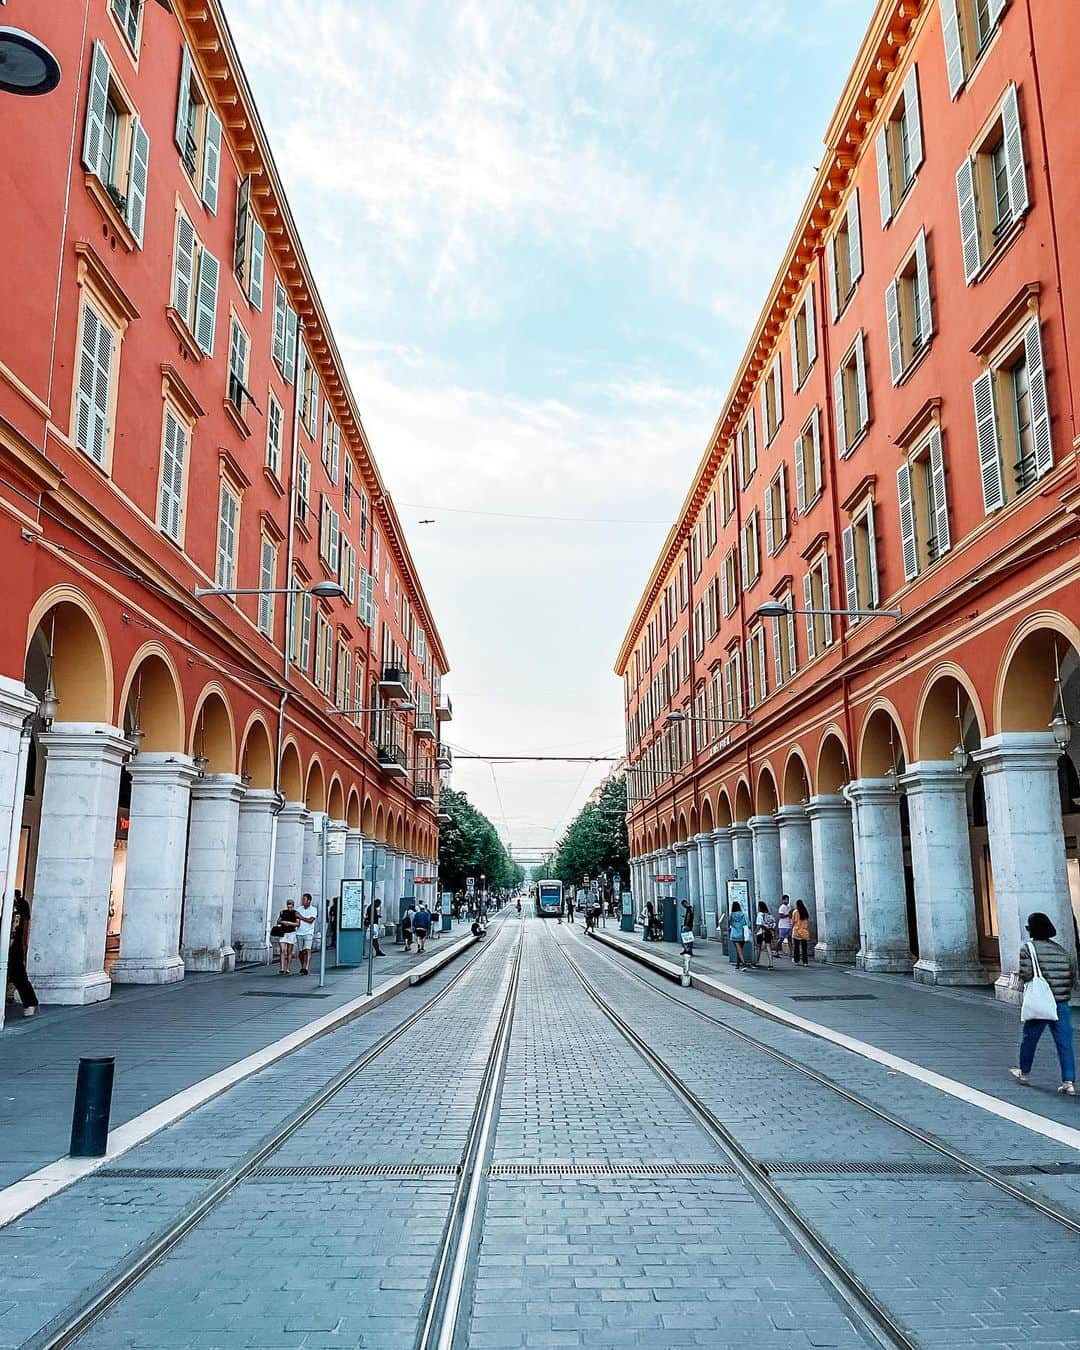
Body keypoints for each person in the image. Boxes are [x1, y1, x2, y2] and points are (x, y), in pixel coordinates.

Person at [1011, 911, 1077, 1095]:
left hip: (1041, 1003)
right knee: (1064, 1042)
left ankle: (1024, 1072)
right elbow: (1072, 975)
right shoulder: (1061, 950)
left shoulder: (1028, 948)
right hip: (1061, 1002)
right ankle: (1069, 1081)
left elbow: (1027, 974)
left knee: (1030, 1038)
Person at [6, 890, 38, 1015]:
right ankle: (29, 1002)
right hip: (12, 945)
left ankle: (30, 1002)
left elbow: (24, 927)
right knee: (18, 975)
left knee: (18, 975)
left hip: (14, 946)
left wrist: (24, 946)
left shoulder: (21, 906)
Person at [273, 899, 300, 975]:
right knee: (282, 950)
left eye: (290, 905)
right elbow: (278, 921)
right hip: (283, 932)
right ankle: (282, 968)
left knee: (289, 951)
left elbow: (298, 924)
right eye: (288, 905)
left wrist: (289, 923)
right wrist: (283, 922)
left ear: (293, 905)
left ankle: (288, 968)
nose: (289, 907)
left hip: (291, 932)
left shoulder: (296, 913)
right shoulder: (283, 912)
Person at [294, 892, 318, 974]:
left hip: (308, 932)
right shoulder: (299, 909)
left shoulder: (313, 909)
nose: (302, 901)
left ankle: (306, 967)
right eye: (302, 899)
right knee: (300, 951)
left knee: (307, 950)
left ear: (309, 901)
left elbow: (311, 920)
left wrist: (301, 917)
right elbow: (296, 919)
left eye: (304, 899)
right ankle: (302, 966)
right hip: (299, 932)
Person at [729, 901, 750, 970]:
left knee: (738, 949)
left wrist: (735, 925)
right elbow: (747, 923)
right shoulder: (743, 914)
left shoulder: (731, 915)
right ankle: (738, 964)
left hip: (734, 934)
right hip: (742, 933)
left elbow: (730, 923)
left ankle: (743, 963)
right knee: (740, 949)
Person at [755, 901, 776, 969]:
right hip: (768, 931)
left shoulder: (759, 915)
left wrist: (755, 932)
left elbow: (759, 925)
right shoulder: (768, 914)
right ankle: (771, 963)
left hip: (761, 932)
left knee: (758, 947)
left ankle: (757, 962)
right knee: (768, 947)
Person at [792, 900, 811, 966]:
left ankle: (796, 960)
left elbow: (793, 922)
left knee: (796, 947)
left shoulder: (795, 912)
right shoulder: (805, 912)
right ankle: (805, 962)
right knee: (804, 948)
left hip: (797, 931)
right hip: (804, 932)